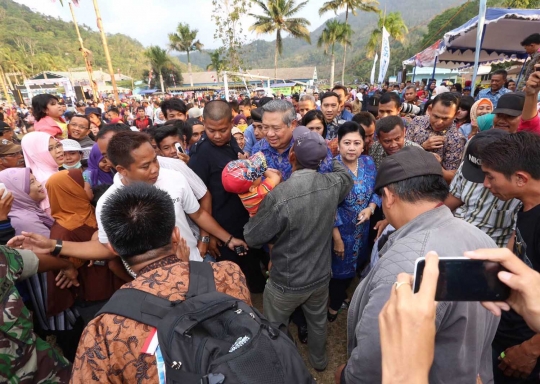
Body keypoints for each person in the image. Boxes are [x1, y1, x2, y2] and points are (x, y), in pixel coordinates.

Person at [340, 146, 499, 384]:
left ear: (390, 195)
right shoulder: (482, 240)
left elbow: (376, 356)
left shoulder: (405, 268)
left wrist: (347, 377)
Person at [71, 183, 252, 383]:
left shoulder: (103, 329)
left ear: (113, 248)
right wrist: (189, 269)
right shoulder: (228, 273)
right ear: (176, 235)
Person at [244, 126, 353, 372]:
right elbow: (346, 177)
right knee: (317, 322)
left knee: (274, 326)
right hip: (320, 276)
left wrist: (261, 195)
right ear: (322, 159)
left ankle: (283, 366)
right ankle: (320, 361)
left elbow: (252, 236)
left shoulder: (280, 195)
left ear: (292, 156)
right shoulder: (333, 184)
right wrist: (331, 156)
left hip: (286, 280)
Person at [0, 167, 83, 362]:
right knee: (66, 328)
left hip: (45, 276)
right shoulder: (24, 219)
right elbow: (46, 252)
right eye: (31, 183)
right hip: (46, 282)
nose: (39, 184)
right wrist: (67, 263)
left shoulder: (28, 210)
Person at [480, 131, 540, 383]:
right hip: (509, 325)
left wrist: (530, 350)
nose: (485, 184)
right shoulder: (523, 203)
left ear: (520, 178)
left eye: (491, 177)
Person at [189, 100, 267, 292]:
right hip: (222, 226)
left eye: (223, 130)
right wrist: (208, 235)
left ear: (231, 123)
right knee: (232, 275)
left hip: (244, 218)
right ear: (204, 122)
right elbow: (199, 199)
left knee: (251, 263)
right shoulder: (201, 154)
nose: (217, 136)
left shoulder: (231, 141)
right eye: (211, 130)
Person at [46, 169, 125, 323]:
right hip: (95, 295)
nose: (88, 184)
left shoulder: (92, 209)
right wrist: (75, 261)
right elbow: (64, 267)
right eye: (81, 183)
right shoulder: (63, 231)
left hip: (116, 284)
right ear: (71, 192)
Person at [329, 122, 380, 322]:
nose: (351, 147)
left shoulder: (368, 162)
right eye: (347, 143)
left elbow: (377, 190)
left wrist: (371, 208)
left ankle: (342, 298)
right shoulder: (330, 168)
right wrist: (337, 238)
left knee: (356, 265)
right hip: (340, 232)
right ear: (339, 144)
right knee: (338, 271)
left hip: (363, 229)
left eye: (356, 143)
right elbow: (329, 205)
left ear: (363, 145)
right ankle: (333, 308)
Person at [445, 130, 521, 248]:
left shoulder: (523, 195)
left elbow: (514, 241)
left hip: (488, 250)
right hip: (454, 235)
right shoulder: (469, 164)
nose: (485, 183)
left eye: (490, 176)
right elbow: (451, 201)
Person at [252, 99, 332, 181]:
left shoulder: (313, 147)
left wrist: (282, 186)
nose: (269, 134)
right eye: (265, 127)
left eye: (276, 128)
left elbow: (324, 184)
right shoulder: (258, 149)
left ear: (293, 125)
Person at [406, 92, 465, 183]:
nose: (439, 122)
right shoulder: (417, 122)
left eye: (445, 118)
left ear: (456, 114)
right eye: (436, 116)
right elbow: (402, 151)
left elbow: (452, 176)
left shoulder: (457, 139)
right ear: (430, 109)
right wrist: (422, 147)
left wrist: (434, 164)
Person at [222, 152, 281, 217]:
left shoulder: (242, 192)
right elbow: (276, 177)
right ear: (252, 188)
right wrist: (263, 169)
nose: (260, 174)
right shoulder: (258, 193)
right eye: (257, 173)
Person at [21, 132, 64, 213]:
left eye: (58, 145)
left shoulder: (46, 171)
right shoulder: (46, 179)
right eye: (50, 149)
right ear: (35, 154)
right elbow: (53, 214)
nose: (59, 151)